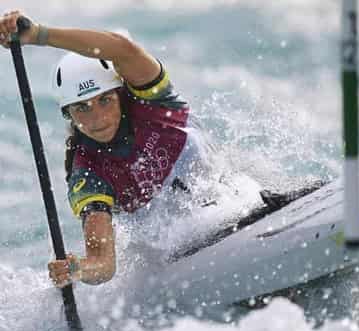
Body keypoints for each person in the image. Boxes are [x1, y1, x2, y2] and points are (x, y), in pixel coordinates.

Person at [0, 11, 325, 290]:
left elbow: (122, 48)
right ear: (67, 114)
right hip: (188, 259)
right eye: (81, 109)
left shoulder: (153, 101)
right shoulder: (87, 173)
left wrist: (39, 35)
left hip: (251, 207)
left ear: (121, 95)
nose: (96, 118)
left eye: (104, 100)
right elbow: (104, 264)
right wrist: (78, 269)